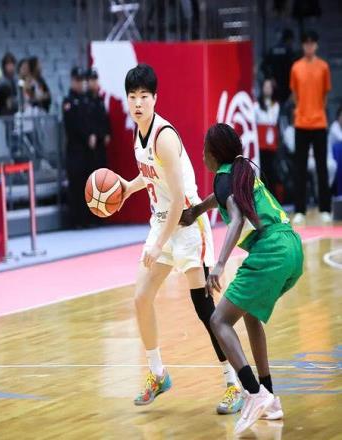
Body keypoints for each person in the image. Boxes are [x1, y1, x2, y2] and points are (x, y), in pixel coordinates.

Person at [118, 64, 242, 412]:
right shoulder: (139, 134)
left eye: (144, 96)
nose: (138, 103)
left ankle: (234, 382)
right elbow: (151, 174)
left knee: (205, 309)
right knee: (141, 298)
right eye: (132, 97)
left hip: (187, 225)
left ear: (155, 98)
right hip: (162, 223)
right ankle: (158, 373)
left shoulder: (164, 137)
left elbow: (176, 200)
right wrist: (128, 187)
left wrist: (159, 244)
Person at [180, 123, 303, 435]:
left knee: (219, 320)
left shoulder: (224, 178)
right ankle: (269, 397)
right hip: (292, 247)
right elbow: (221, 199)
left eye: (204, 149)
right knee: (249, 315)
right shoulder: (240, 170)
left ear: (213, 154)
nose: (202, 154)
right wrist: (197, 210)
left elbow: (235, 217)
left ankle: (253, 393)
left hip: (271, 251)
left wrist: (219, 265)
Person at [290, 30, 331, 224]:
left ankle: (325, 208)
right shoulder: (296, 67)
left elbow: (325, 95)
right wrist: (303, 110)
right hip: (301, 123)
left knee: (322, 166)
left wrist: (316, 110)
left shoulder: (324, 67)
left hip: (319, 122)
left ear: (316, 45)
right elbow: (295, 95)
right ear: (302, 45)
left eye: (312, 43)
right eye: (306, 43)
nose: (309, 46)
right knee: (300, 167)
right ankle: (300, 209)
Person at [63, 67, 94, 229]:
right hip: (75, 148)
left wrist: (92, 134)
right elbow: (72, 125)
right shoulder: (69, 101)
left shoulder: (86, 100)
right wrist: (86, 135)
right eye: (78, 80)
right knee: (76, 184)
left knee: (86, 182)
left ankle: (86, 218)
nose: (82, 83)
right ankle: (75, 220)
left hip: (86, 149)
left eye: (83, 80)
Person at [254, 78, 280, 197]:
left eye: (269, 87)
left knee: (272, 170)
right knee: (261, 169)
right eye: (265, 87)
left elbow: (272, 119)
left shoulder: (276, 105)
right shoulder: (256, 105)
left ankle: (272, 196)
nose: (267, 89)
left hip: (271, 143)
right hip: (260, 142)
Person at [86, 68, 111, 169]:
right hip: (90, 143)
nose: (94, 82)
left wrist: (107, 132)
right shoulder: (85, 100)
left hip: (101, 140)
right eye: (91, 80)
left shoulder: (100, 99)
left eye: (95, 79)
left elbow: (104, 117)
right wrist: (90, 134)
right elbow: (85, 120)